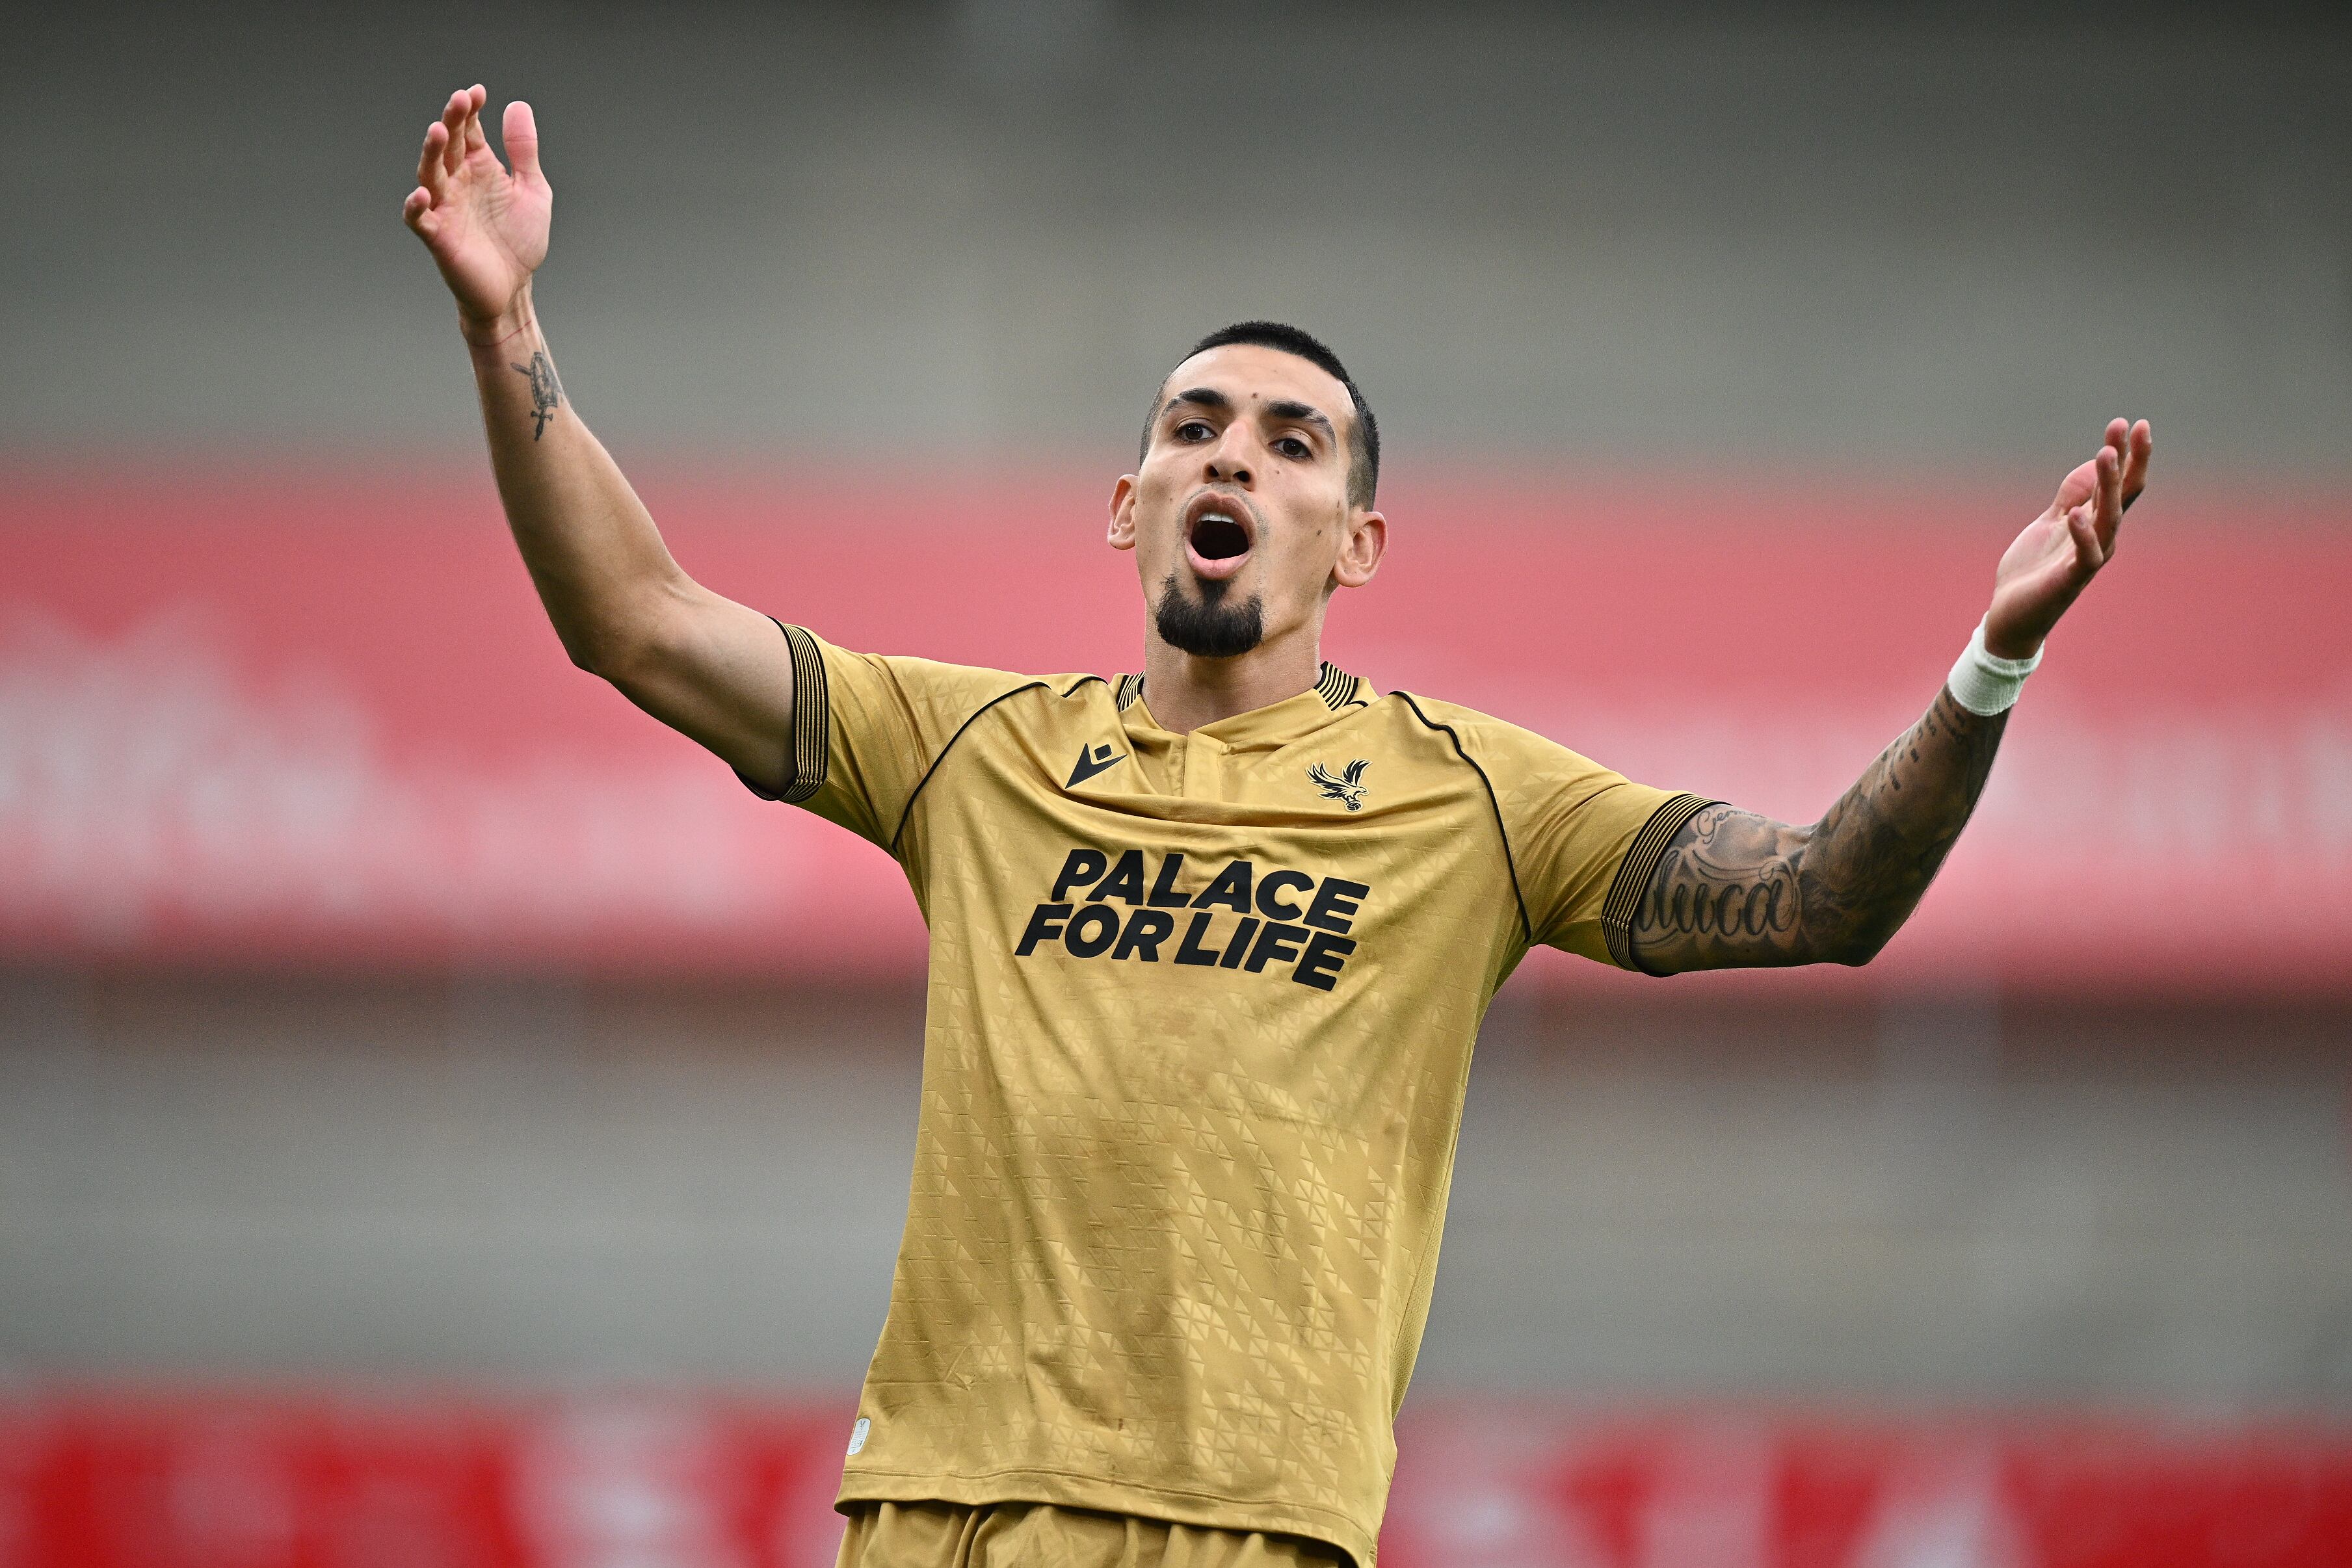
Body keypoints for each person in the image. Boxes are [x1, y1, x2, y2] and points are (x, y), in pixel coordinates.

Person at [403, 86, 2151, 1568]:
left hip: (1258, 1524)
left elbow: (1820, 898)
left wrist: (1989, 659)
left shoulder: (1471, 797)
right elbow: (631, 616)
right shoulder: (967, 748)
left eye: (1290, 440)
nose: (1231, 457)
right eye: (1192, 429)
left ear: (1357, 542)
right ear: (1128, 505)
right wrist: (506, 326)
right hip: (946, 1507)